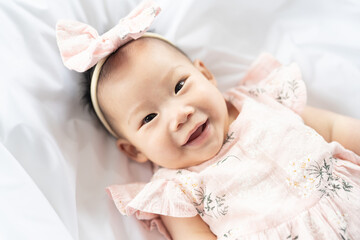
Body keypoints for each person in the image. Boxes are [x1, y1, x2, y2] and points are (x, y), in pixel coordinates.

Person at [56, 1, 360, 239]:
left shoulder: (262, 99)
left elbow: (334, 129)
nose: (179, 114)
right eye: (149, 118)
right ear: (135, 151)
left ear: (205, 74)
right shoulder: (175, 191)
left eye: (179, 86)